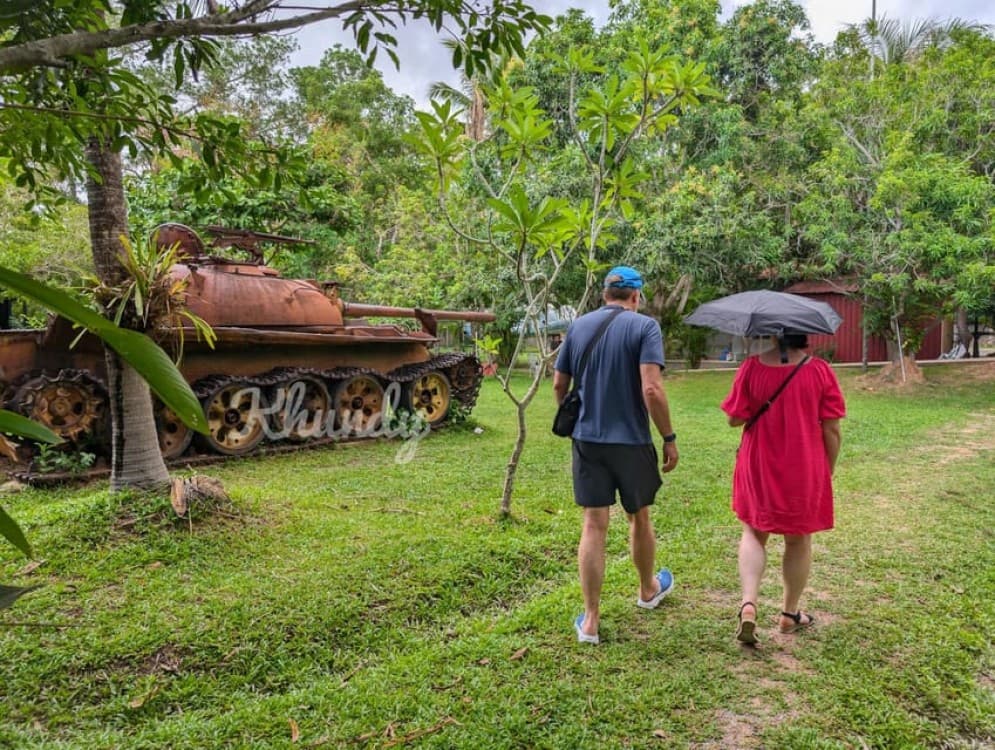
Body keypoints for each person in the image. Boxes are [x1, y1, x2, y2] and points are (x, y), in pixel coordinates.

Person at [553, 266, 679, 645]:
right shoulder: (645, 328)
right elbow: (652, 390)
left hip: (587, 439)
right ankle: (647, 589)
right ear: (636, 296)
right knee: (638, 516)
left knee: (594, 523)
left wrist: (575, 415)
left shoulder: (578, 327)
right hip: (632, 441)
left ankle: (590, 620)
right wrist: (668, 437)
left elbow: (560, 383)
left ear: (604, 295)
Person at [720, 333, 845, 646]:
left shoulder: (751, 367)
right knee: (799, 539)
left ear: (775, 333)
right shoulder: (820, 371)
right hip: (804, 464)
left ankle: (749, 604)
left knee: (752, 532)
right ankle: (789, 615)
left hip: (758, 461)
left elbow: (734, 419)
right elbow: (831, 428)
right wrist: (826, 468)